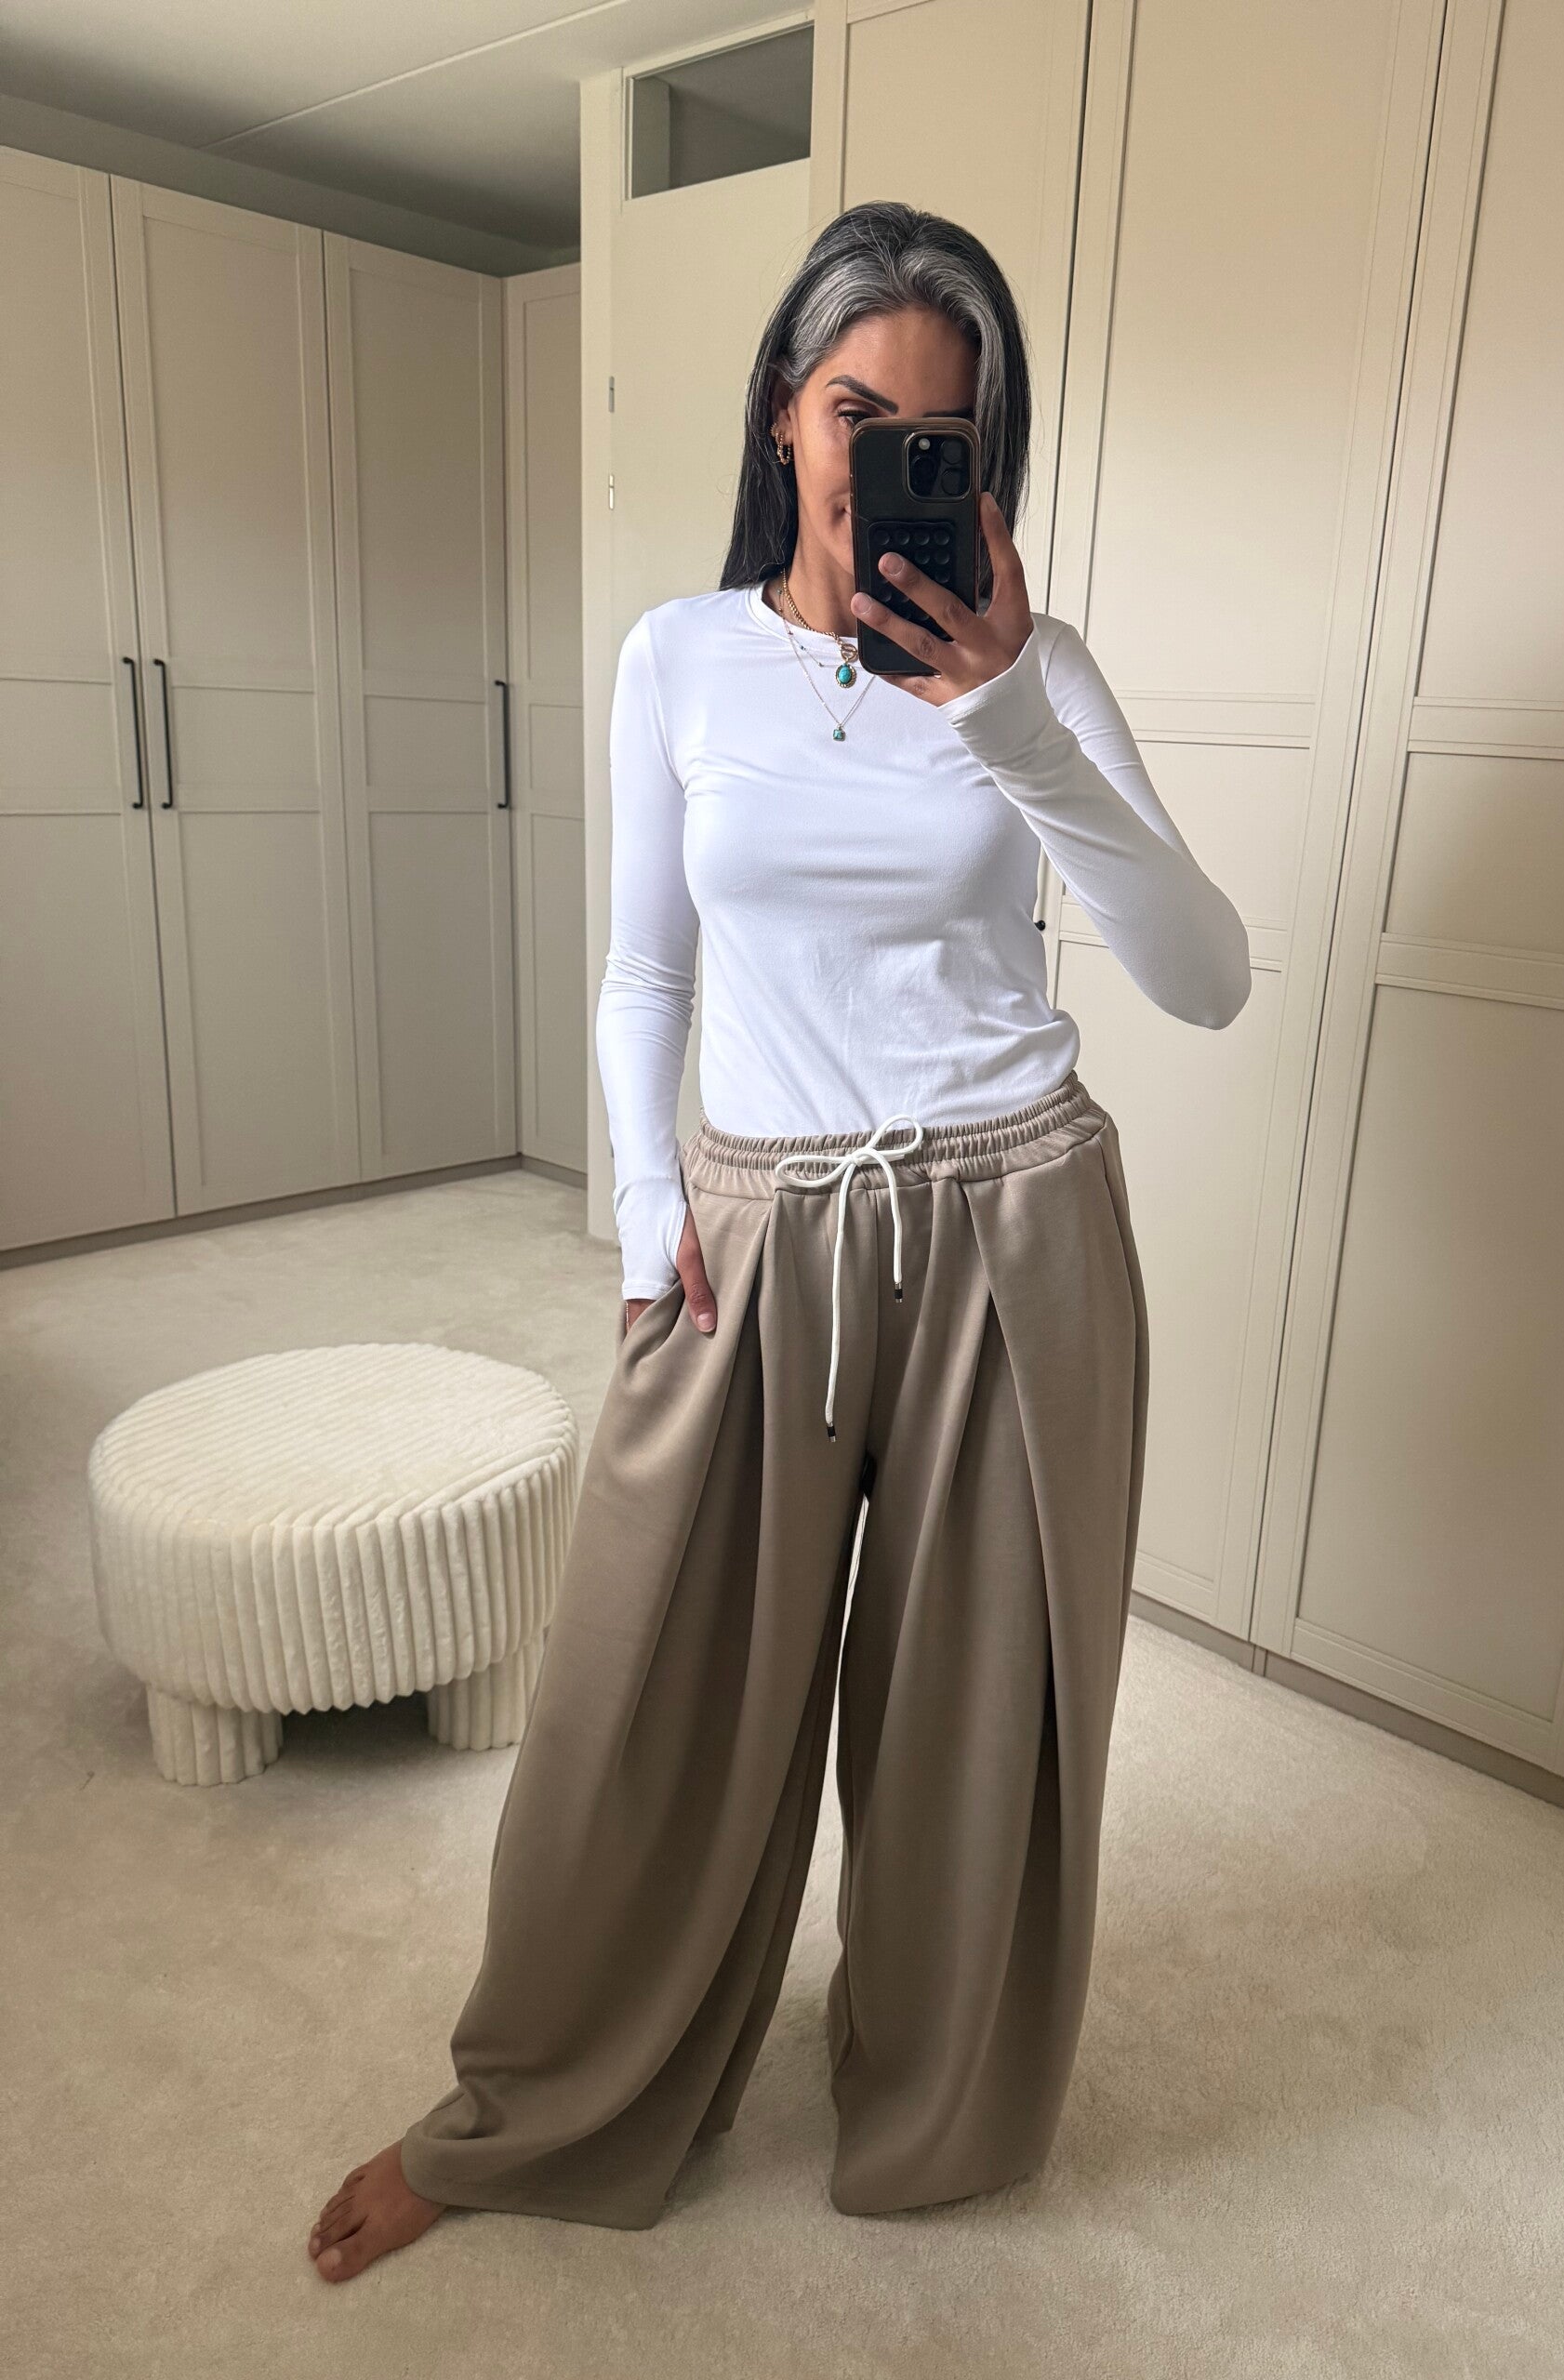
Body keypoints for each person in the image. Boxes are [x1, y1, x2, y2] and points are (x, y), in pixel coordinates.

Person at [307, 199, 1250, 2283]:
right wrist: (650, 1208)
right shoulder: (676, 655)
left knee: (974, 1717)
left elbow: (1207, 977)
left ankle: (937, 2104)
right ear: (782, 414)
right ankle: (536, 2100)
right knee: (640, 1696)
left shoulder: (1040, 674)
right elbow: (645, 971)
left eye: (938, 428)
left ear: (981, 457)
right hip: (755, 1231)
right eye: (852, 408)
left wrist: (1007, 714)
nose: (885, 455)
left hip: (1016, 1215)